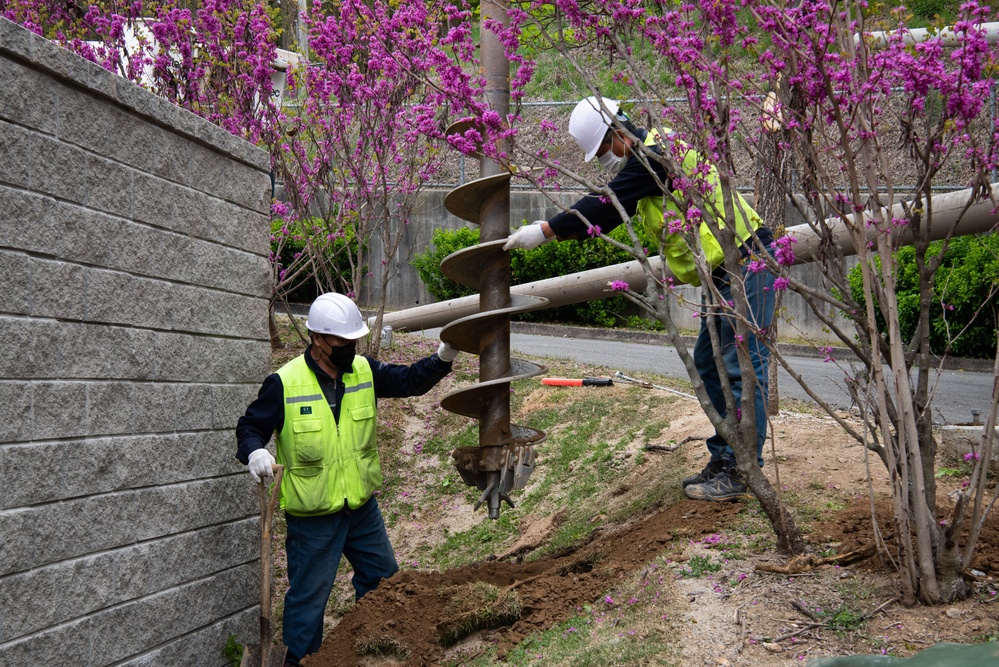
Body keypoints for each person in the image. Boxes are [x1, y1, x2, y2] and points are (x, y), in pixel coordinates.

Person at [503, 96, 776, 502]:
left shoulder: (654, 155)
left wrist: (545, 230)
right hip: (724, 271)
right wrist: (555, 229)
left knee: (740, 367)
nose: (603, 161)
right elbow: (611, 212)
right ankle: (726, 456)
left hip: (745, 261)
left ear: (618, 132)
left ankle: (743, 469)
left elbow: (602, 205)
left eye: (602, 150)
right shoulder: (645, 167)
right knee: (709, 359)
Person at [235, 292, 458, 666]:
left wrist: (443, 356)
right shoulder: (285, 382)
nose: (349, 348)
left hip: (360, 509)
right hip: (313, 516)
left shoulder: (364, 372)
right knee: (308, 600)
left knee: (383, 580)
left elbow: (409, 381)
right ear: (318, 339)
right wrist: (255, 451)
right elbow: (250, 426)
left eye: (353, 340)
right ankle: (301, 663)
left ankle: (367, 651)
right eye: (341, 341)